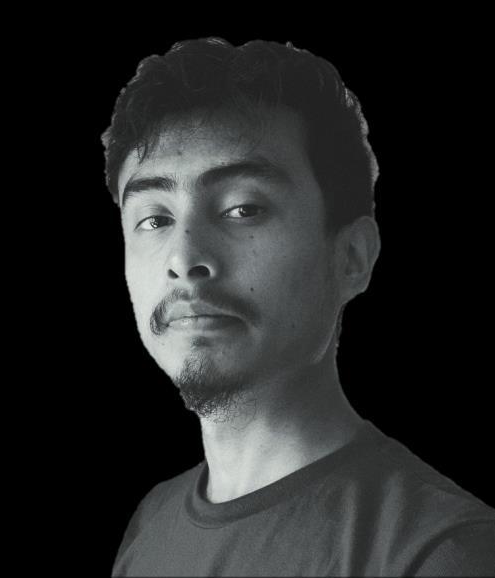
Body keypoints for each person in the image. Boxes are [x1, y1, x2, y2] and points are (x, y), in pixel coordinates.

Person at [102, 38, 495, 577]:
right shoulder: (151, 525)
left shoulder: (438, 552)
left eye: (243, 208)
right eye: (155, 219)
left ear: (351, 258)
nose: (184, 259)